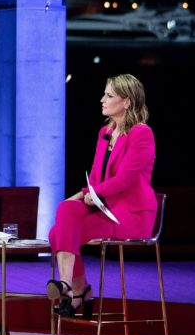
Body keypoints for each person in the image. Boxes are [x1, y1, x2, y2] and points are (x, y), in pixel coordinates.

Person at [46, 73, 157, 318]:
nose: (102, 100)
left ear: (127, 101)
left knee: (58, 234)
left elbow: (124, 180)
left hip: (130, 215)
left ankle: (77, 290)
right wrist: (79, 195)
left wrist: (91, 194)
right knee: (64, 212)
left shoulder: (141, 134)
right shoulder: (105, 133)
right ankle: (70, 285)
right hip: (105, 207)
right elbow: (97, 178)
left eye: (109, 95)